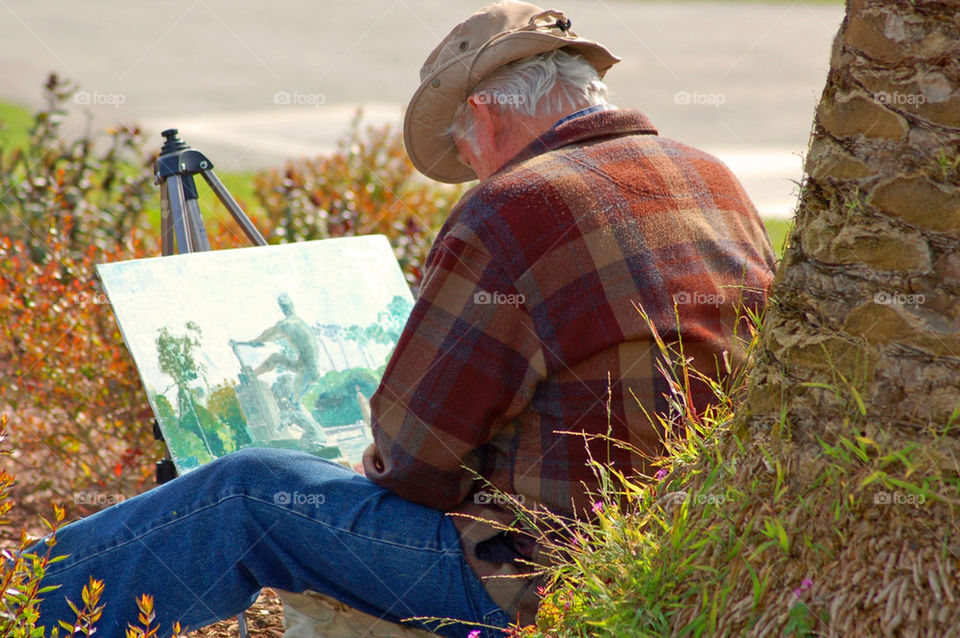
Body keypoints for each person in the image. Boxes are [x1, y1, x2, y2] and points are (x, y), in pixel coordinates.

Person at [25, 2, 775, 637]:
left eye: (461, 146)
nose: (474, 166)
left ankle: (22, 609)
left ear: (481, 112)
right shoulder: (709, 175)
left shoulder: (515, 207)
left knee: (248, 489)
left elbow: (416, 461)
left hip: (530, 574)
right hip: (676, 543)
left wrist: (364, 461)